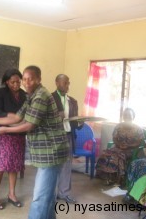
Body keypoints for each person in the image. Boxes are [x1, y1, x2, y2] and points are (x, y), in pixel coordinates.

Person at [0, 65, 69, 219]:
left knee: (40, 198)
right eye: (24, 79)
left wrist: (5, 130)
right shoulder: (31, 96)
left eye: (31, 79)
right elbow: (17, 118)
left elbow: (30, 124)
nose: (26, 82)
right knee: (47, 197)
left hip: (52, 151)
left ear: (39, 79)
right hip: (47, 151)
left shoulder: (40, 96)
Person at [0, 69, 27, 210]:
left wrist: (19, 123)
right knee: (0, 165)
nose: (16, 84)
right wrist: (13, 119)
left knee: (14, 165)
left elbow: (27, 113)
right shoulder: (0, 93)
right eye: (13, 82)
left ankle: (12, 194)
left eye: (19, 81)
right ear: (6, 82)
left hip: (19, 135)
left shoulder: (24, 95)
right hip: (3, 134)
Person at [95, 107, 144, 186]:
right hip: (118, 147)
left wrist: (128, 146)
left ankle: (116, 178)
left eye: (129, 116)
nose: (127, 117)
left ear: (133, 117)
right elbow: (114, 138)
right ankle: (106, 176)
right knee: (104, 155)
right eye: (125, 115)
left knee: (117, 157)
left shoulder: (138, 129)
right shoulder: (118, 126)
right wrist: (119, 144)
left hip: (130, 150)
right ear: (123, 117)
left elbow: (139, 142)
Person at [52, 74, 78, 204]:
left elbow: (75, 123)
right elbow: (43, 118)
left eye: (68, 83)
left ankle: (64, 193)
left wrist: (80, 122)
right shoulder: (49, 98)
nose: (68, 86)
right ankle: (51, 194)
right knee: (52, 165)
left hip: (67, 135)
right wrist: (58, 116)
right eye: (65, 83)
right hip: (53, 137)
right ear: (57, 83)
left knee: (67, 165)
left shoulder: (73, 101)